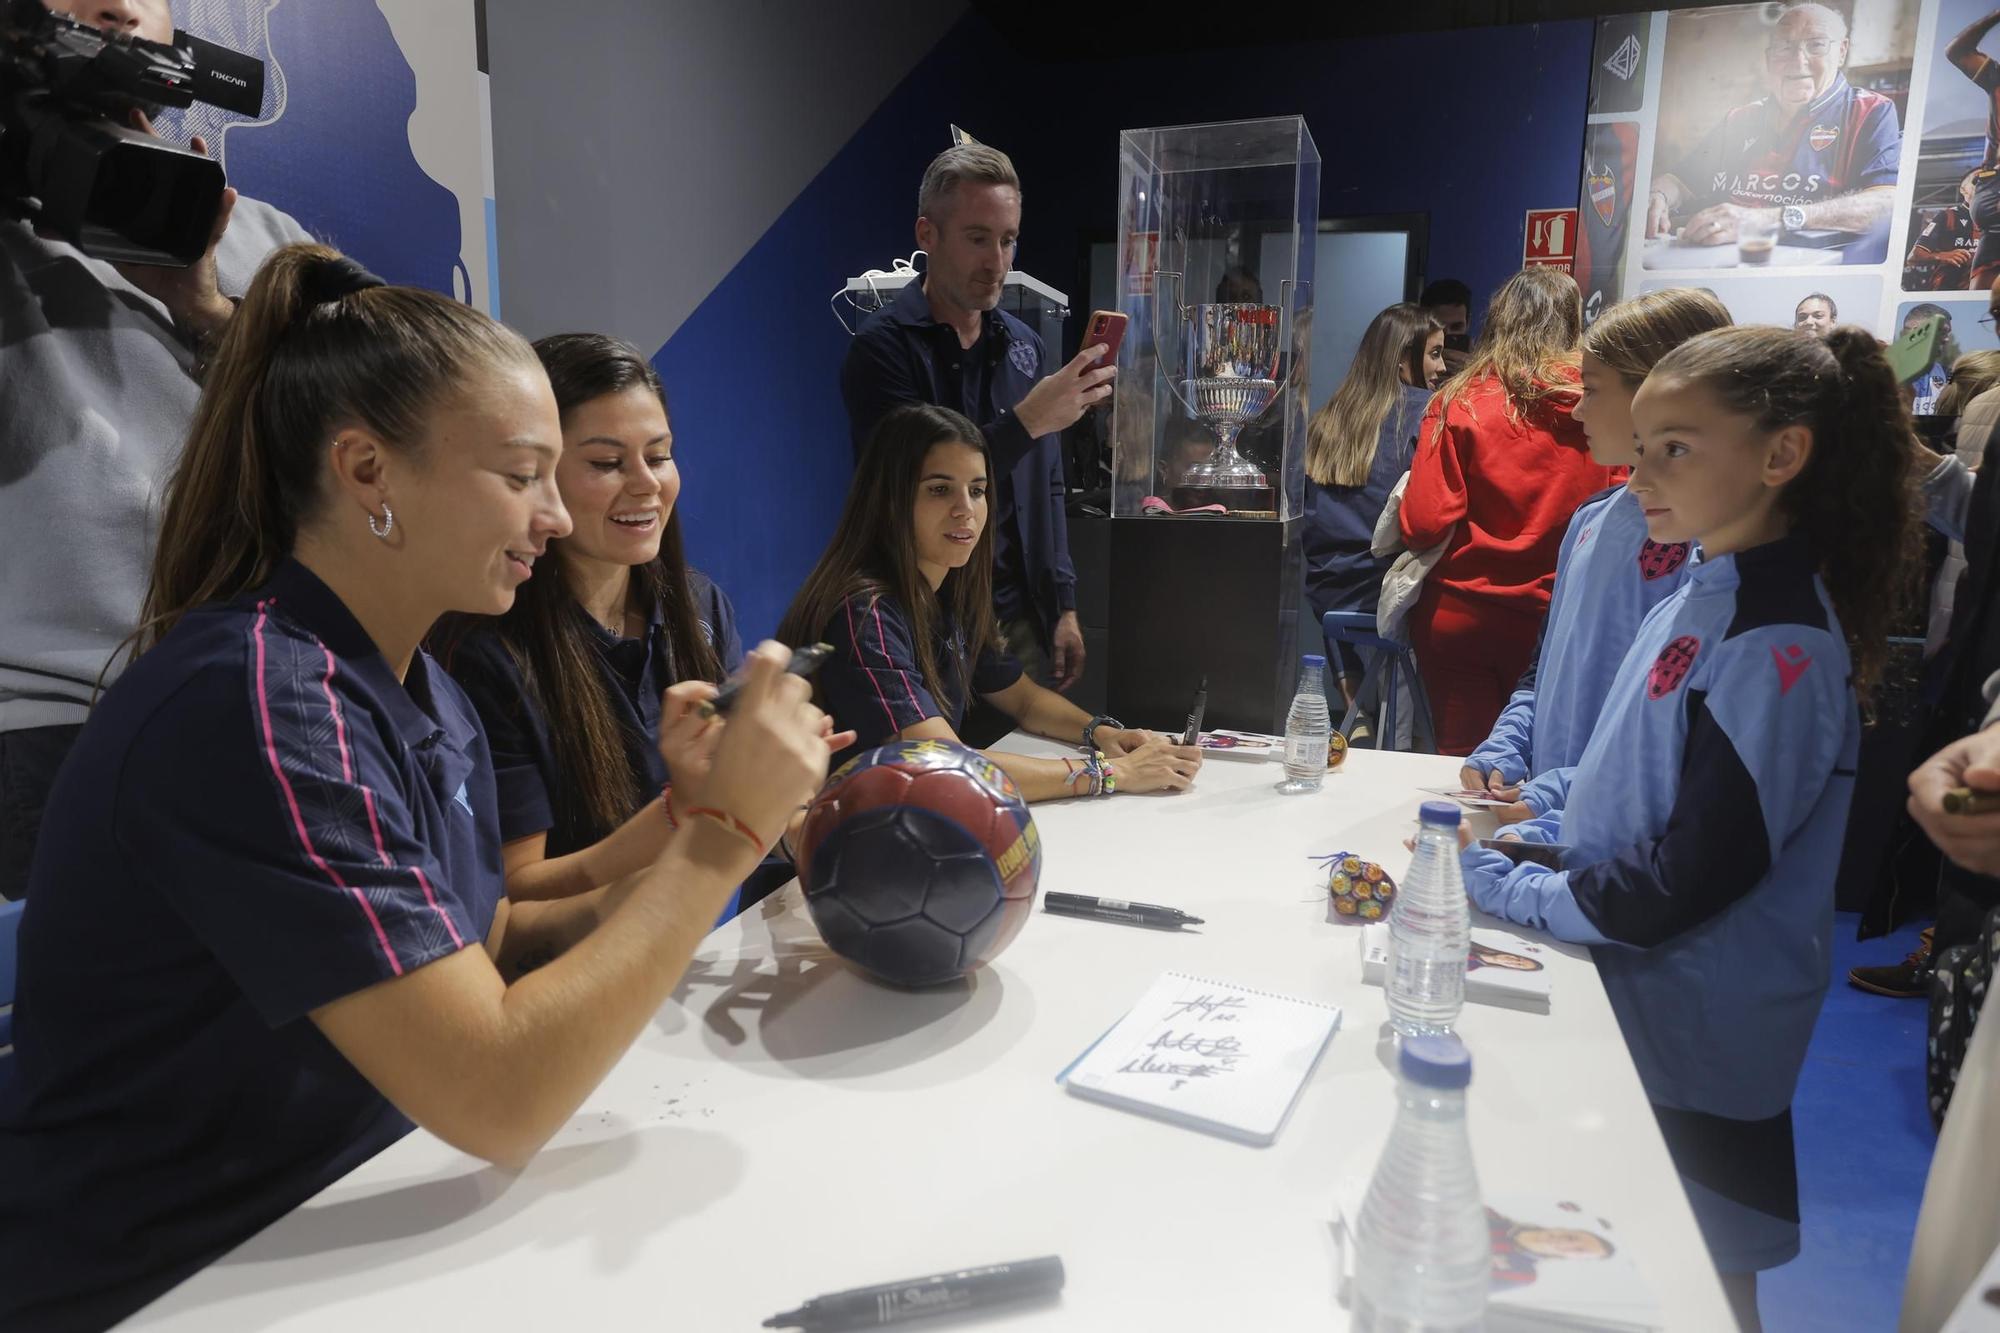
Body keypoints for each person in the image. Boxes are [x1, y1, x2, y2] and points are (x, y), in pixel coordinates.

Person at [0, 245, 841, 1330]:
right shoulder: (257, 703)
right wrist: (723, 836)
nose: (552, 516)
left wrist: (681, 817)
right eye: (522, 474)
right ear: (366, 473)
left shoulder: (421, 690)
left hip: (346, 1213)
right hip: (172, 1277)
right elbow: (497, 1093)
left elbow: (481, 937)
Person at [1459, 324, 1920, 1329]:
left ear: (1778, 454)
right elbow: (1632, 783)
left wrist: (1501, 886)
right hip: (1633, 997)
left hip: (1701, 1025)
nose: (1636, 470)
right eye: (1643, 441)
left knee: (1701, 1283)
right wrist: (1526, 832)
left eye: (1674, 447)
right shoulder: (1698, 592)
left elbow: (1687, 878)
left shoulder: (1778, 642)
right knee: (1621, 1257)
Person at [0, 0, 314, 902]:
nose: (123, 7)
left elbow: (378, 441)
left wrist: (208, 309)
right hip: (58, 729)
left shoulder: (267, 239)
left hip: (272, 713)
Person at [430, 334, 747, 903]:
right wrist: (689, 812)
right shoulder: (487, 652)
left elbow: (745, 809)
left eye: (659, 456)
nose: (646, 484)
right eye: (606, 463)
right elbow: (514, 898)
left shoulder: (698, 605)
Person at [780, 403, 1202, 803]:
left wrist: (1102, 733)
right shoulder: (864, 613)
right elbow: (941, 763)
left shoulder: (949, 591)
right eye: (940, 489)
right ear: (891, 498)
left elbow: (1024, 699)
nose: (966, 510)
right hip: (836, 858)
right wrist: (1112, 773)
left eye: (977, 490)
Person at [840, 143, 1109, 693]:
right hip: (923, 610)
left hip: (1019, 611)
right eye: (977, 238)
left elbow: (1048, 485)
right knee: (949, 770)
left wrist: (1063, 604)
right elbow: (916, 481)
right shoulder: (882, 350)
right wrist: (1030, 419)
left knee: (1038, 752)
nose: (997, 261)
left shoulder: (1025, 348)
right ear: (926, 235)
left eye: (1008, 240)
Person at [1460, 289, 1731, 817]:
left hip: (1627, 828)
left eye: (1591, 389)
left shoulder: (1710, 544)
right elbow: (1546, 666)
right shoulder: (1590, 519)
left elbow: (1678, 732)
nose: (1579, 408)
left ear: (1652, 401)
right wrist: (1512, 740)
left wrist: (1573, 790)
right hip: (1558, 825)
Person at [1398, 268, 1614, 756]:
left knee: (1464, 776)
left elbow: (1424, 523)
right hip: (1557, 619)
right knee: (1544, 779)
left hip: (1462, 614)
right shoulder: (1602, 409)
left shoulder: (1460, 402)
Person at [1645, 3, 1900, 254]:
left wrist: (1773, 219)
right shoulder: (1740, 118)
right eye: (1783, 47)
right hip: (1713, 261)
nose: (1797, 60)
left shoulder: (1871, 110)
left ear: (1841, 51)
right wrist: (1658, 195)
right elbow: (1680, 180)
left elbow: (1887, 204)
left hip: (1808, 270)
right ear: (1768, 58)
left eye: (1817, 45)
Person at [1302, 303, 1444, 712]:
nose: (1441, 367)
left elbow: (1315, 534)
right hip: (1390, 598)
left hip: (1332, 600)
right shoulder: (1427, 414)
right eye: (1433, 354)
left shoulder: (1326, 420)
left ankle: (1352, 697)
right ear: (1403, 360)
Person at [1945, 8, 2000, 292]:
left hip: (1991, 191)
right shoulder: (1996, 76)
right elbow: (1957, 51)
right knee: (1980, 296)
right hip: (1993, 186)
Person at [1903, 173, 1986, 292]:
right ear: (1963, 190)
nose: (1980, 184)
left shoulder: (1994, 219)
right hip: (1949, 290)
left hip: (1985, 293)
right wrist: (1941, 256)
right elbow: (1913, 257)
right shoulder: (1947, 215)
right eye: (1975, 181)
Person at [1906, 304, 1963, 415]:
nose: (1947, 339)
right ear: (1916, 332)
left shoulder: (1948, 375)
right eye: (1942, 331)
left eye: (1948, 333)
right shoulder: (1884, 372)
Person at [1421, 276, 1474, 374]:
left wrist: (1473, 372)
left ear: (1468, 322)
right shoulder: (1408, 363)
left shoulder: (1481, 364)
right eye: (1439, 327)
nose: (1446, 334)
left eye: (1456, 327)